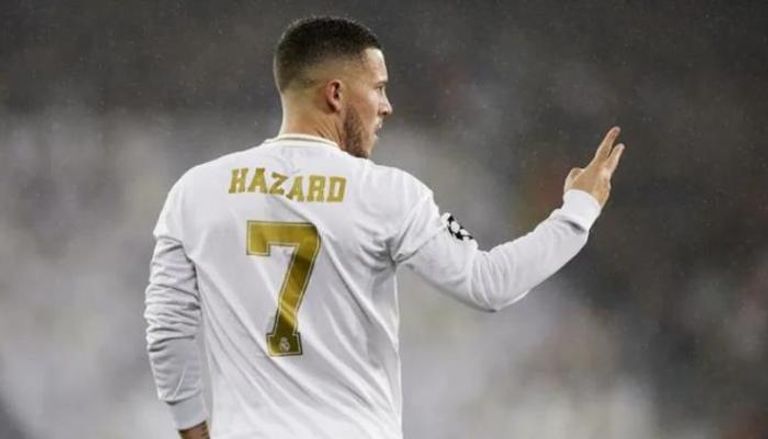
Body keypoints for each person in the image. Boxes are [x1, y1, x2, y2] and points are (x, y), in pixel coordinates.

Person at [144, 16, 625, 439]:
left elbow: (167, 332)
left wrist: (195, 432)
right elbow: (488, 284)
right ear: (335, 94)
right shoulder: (386, 194)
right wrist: (577, 211)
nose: (387, 106)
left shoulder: (196, 192)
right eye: (378, 88)